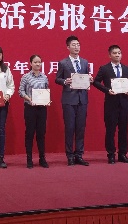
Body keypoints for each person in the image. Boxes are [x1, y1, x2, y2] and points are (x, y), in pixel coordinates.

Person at [93, 44, 128, 164]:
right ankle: (111, 154)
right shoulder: (104, 68)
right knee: (110, 130)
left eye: (119, 53)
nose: (117, 55)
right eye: (114, 53)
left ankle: (123, 154)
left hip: (124, 103)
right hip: (111, 104)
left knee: (124, 129)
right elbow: (96, 82)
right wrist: (107, 90)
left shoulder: (127, 69)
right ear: (109, 55)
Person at [55, 35, 93, 166]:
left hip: (82, 99)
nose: (76, 47)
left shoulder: (85, 62)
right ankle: (70, 155)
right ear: (68, 47)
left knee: (81, 128)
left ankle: (79, 155)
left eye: (78, 44)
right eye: (73, 45)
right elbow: (57, 79)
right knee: (70, 128)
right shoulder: (63, 63)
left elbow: (86, 78)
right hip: (69, 99)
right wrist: (65, 81)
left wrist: (90, 79)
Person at [19, 54, 50, 169]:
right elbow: (21, 91)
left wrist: (47, 100)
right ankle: (29, 159)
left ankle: (42, 158)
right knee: (30, 133)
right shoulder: (26, 77)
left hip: (42, 108)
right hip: (30, 108)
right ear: (30, 63)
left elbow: (46, 90)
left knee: (41, 133)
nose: (38, 64)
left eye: (39, 62)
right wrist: (29, 99)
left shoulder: (44, 77)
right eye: (35, 62)